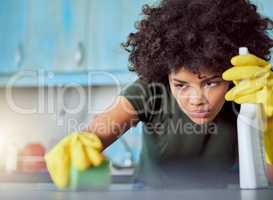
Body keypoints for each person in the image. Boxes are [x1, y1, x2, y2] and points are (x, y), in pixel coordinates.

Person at [44, 0, 273, 189]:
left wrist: (270, 121)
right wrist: (85, 141)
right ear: (166, 74)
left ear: (231, 77)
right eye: (181, 85)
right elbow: (104, 126)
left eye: (211, 83)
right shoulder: (151, 89)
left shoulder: (250, 92)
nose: (196, 99)